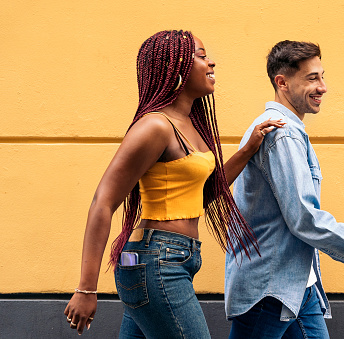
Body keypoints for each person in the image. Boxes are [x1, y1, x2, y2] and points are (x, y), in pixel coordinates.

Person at [64, 30, 284, 338]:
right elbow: (103, 201)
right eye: (202, 55)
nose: (212, 63)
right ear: (176, 65)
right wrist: (86, 288)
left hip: (163, 258)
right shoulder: (155, 126)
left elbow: (203, 194)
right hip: (154, 260)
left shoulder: (189, 125)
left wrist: (248, 149)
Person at [225, 40, 344, 338]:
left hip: (297, 285)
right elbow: (305, 218)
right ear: (282, 82)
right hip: (271, 290)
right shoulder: (282, 134)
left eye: (322, 76)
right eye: (312, 78)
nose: (323, 87)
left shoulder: (284, 129)